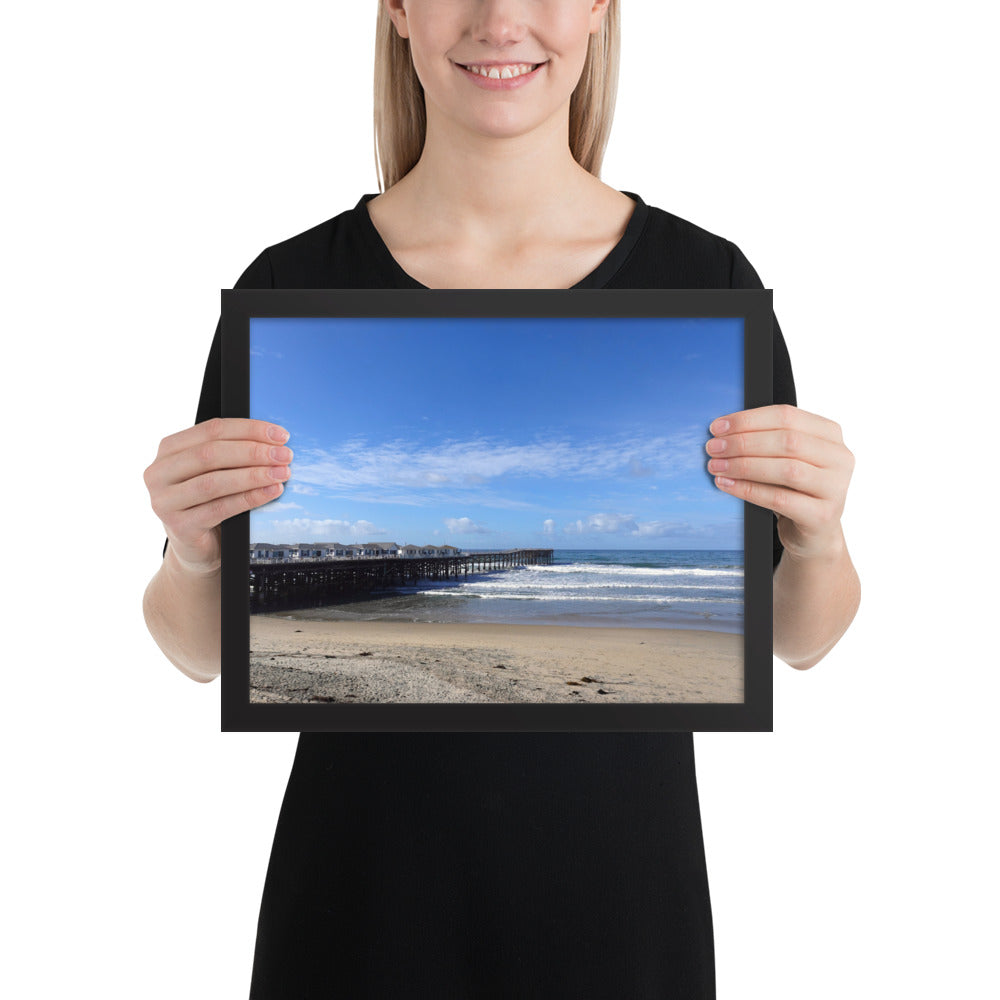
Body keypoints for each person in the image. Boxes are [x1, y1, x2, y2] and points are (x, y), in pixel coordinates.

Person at [143, 1, 860, 995]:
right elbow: (198, 650)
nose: (500, 18)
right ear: (397, 9)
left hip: (621, 911)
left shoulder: (704, 281)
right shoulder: (292, 287)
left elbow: (799, 637)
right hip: (359, 909)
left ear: (601, 9)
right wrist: (192, 554)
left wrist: (820, 539)